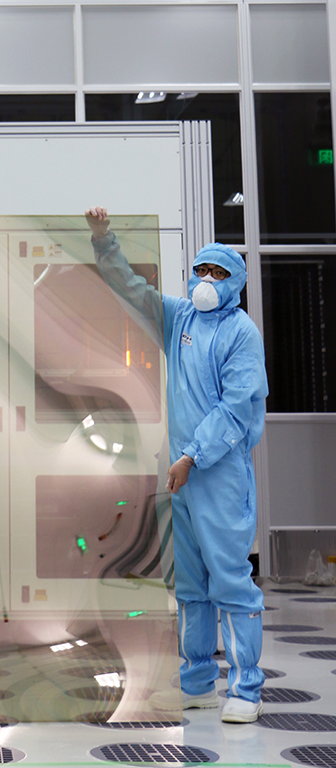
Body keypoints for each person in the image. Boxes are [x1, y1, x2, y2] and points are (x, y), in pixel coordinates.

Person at [85, 206, 268, 724]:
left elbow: (236, 408)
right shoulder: (180, 318)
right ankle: (197, 682)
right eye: (201, 270)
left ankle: (247, 689)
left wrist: (193, 456)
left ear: (236, 283)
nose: (206, 280)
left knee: (229, 580)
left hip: (219, 475)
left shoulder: (242, 333)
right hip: (183, 476)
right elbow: (130, 289)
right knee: (190, 584)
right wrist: (103, 239)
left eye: (218, 273)